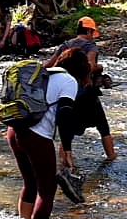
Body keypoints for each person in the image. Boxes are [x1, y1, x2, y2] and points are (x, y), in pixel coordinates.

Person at [5, 47, 93, 219]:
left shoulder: (46, 74)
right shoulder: (69, 81)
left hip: (14, 130)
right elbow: (64, 113)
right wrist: (66, 147)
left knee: (30, 183)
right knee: (47, 190)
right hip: (36, 136)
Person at [45, 16, 117, 168]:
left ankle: (65, 167)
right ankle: (112, 159)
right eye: (93, 32)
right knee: (103, 128)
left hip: (65, 94)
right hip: (86, 93)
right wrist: (100, 67)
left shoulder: (65, 45)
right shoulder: (90, 46)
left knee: (66, 130)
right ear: (89, 31)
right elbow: (90, 66)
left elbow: (50, 65)